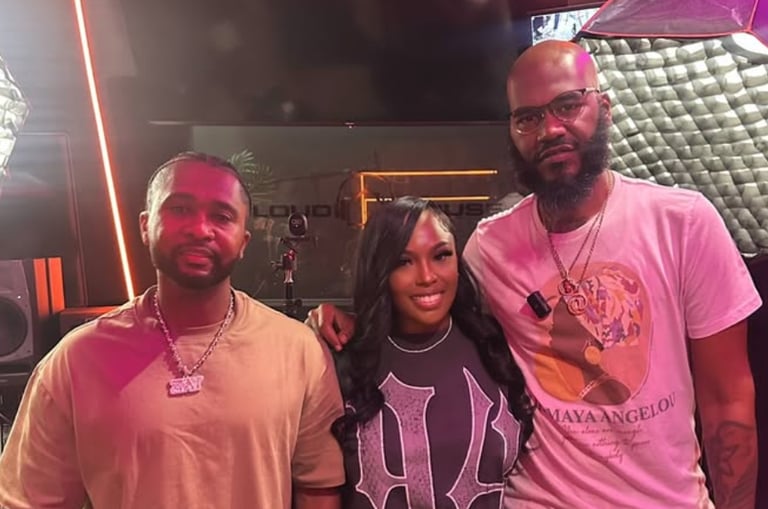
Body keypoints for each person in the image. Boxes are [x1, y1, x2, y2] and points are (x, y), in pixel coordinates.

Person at [308, 41, 761, 508]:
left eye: (567, 105)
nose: (550, 129)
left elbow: (728, 400)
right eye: (528, 117)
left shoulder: (684, 224)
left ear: (604, 108)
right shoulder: (490, 247)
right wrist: (346, 324)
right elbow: (427, 315)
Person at [0, 152, 345, 509]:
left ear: (244, 241)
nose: (200, 229)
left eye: (221, 216)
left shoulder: (299, 351)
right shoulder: (76, 361)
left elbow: (318, 490)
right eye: (180, 209)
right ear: (145, 225)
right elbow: (29, 500)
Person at [325, 196, 533, 508]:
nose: (427, 277)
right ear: (380, 271)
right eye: (404, 261)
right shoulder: (343, 361)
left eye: (441, 256)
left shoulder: (496, 346)